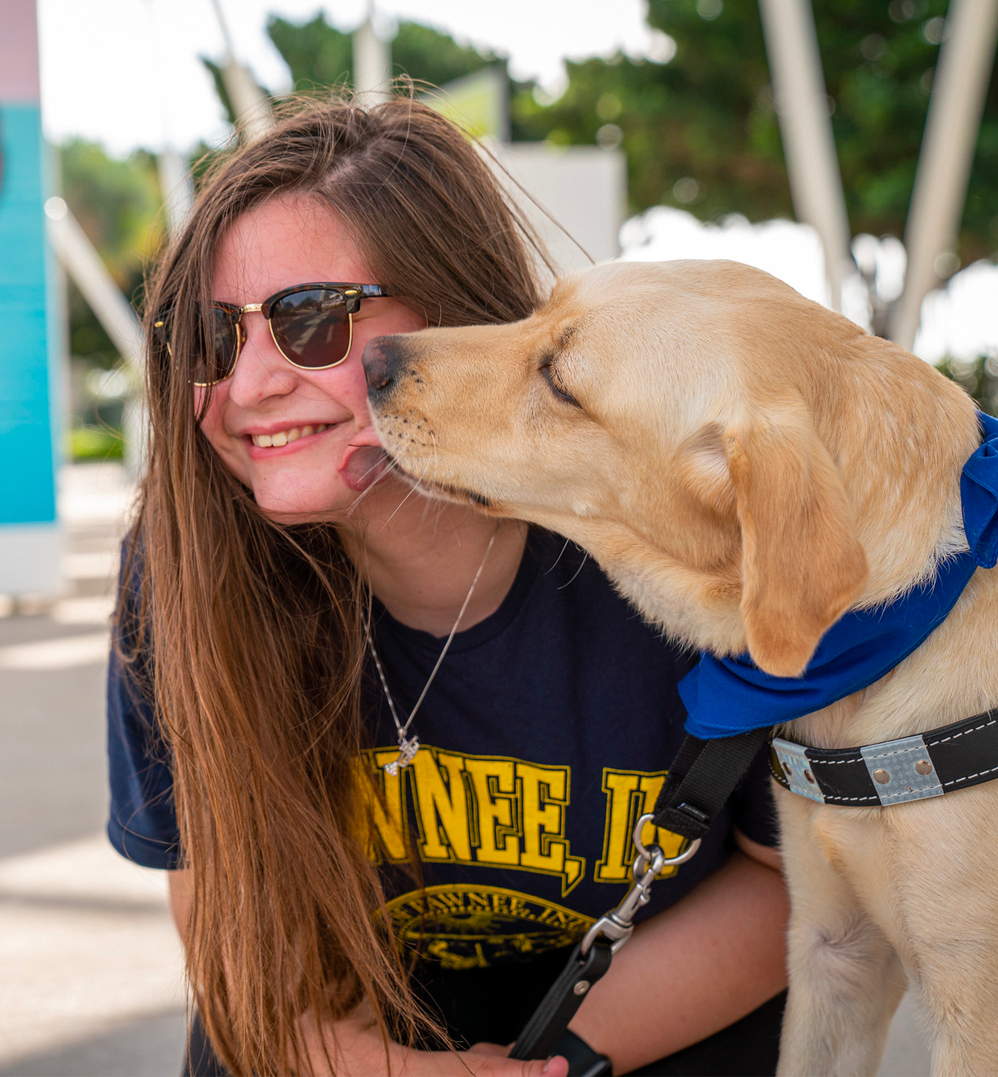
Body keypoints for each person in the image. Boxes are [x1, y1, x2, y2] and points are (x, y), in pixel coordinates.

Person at [107, 95, 790, 1077]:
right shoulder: (177, 572)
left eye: (309, 321)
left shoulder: (671, 535)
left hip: (647, 1017)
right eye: (210, 337)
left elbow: (785, 883)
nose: (248, 384)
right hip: (345, 1029)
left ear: (459, 312)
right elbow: (225, 925)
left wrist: (552, 1067)